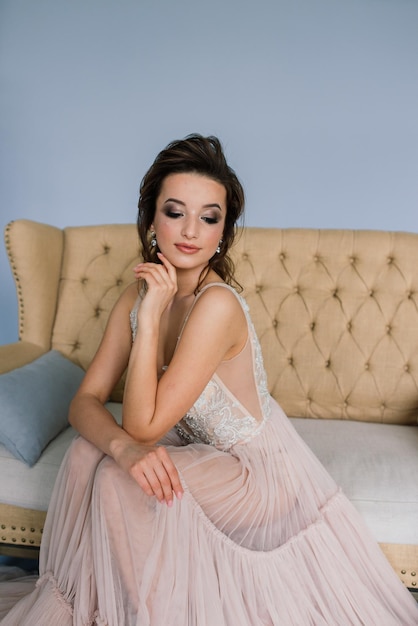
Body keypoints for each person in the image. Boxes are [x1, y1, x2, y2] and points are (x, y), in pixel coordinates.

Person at [0, 134, 417, 625]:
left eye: (209, 217)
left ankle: (144, 615)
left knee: (118, 477)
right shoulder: (138, 292)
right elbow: (84, 401)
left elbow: (143, 430)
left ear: (224, 231)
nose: (191, 230)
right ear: (151, 219)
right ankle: (85, 604)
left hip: (253, 473)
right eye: (175, 212)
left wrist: (151, 321)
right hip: (198, 448)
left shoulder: (214, 306)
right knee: (88, 450)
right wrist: (119, 445)